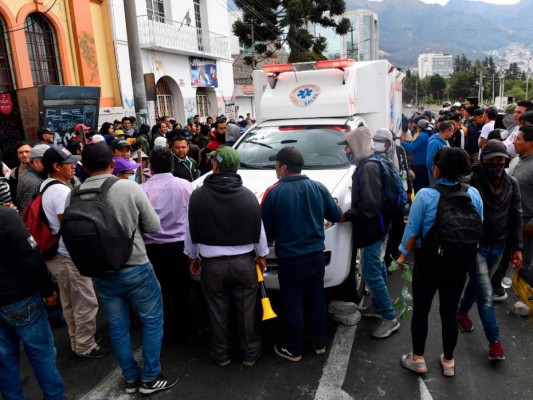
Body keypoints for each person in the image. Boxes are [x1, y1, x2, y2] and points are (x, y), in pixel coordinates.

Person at [74, 142, 176, 394]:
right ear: (112, 162)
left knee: (118, 325)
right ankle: (150, 377)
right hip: (135, 266)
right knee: (152, 320)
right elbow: (153, 226)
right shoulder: (128, 187)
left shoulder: (73, 194)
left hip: (99, 270)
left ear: (84, 167)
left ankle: (131, 378)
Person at [397, 147, 483, 377]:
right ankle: (448, 362)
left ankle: (418, 359)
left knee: (421, 311)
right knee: (448, 312)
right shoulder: (473, 194)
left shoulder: (425, 195)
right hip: (458, 263)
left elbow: (412, 231)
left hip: (429, 263)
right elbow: (478, 227)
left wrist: (402, 255)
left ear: (436, 168)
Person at [186, 146, 268, 367]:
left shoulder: (198, 196)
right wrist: (261, 255)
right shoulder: (248, 196)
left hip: (212, 265)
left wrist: (193, 258)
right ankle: (250, 353)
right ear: (237, 167)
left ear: (215, 166)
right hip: (244, 263)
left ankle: (221, 354)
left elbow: (190, 231)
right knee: (246, 310)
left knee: (217, 310)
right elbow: (258, 230)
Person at [261, 146, 342, 361]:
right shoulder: (319, 188)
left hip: (289, 259)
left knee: (293, 302)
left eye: (276, 166)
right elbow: (335, 215)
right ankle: (319, 344)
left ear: (284, 167)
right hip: (316, 255)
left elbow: (264, 230)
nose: (275, 170)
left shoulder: (273, 192)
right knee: (317, 299)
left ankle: (293, 349)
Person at [456, 140, 523, 361]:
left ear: (506, 161)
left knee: (477, 286)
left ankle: (462, 311)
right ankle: (495, 343)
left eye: (500, 161)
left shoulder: (512, 183)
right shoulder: (469, 182)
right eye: (491, 160)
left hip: (500, 246)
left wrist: (518, 247)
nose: (496, 165)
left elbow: (516, 216)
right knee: (485, 295)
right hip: (476, 247)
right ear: (482, 160)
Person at [40, 147, 107, 359]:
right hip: (67, 257)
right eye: (68, 163)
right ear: (56, 167)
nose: (73, 166)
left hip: (56, 256)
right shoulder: (60, 191)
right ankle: (86, 345)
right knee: (85, 301)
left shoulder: (47, 185)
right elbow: (69, 226)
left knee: (70, 302)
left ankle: (77, 340)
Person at [0, 206, 65, 400]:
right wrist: (48, 290)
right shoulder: (6, 216)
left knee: (4, 360)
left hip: (13, 297)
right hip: (20, 297)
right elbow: (31, 257)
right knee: (42, 354)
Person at [341, 127, 400, 339]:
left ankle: (389, 317)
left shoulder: (367, 168)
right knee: (377, 267)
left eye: (347, 146)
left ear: (356, 147)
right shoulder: (372, 162)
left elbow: (370, 206)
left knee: (371, 272)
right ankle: (377, 306)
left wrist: (348, 215)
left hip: (373, 228)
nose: (346, 150)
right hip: (380, 227)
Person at [141, 147, 194, 343]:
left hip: (152, 247)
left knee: (158, 290)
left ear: (151, 167)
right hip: (180, 246)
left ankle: (165, 330)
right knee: (182, 289)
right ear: (172, 165)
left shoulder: (142, 189)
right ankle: (185, 329)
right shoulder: (185, 186)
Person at [510, 125, 533, 287]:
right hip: (513, 223)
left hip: (527, 226)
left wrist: (532, 224)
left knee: (525, 268)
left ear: (530, 143)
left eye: (518, 139)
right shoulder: (517, 160)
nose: (514, 142)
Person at [16, 144, 49, 213]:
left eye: (27, 151)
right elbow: (29, 214)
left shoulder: (39, 176)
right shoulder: (33, 183)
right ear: (36, 162)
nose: (24, 155)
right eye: (49, 160)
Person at [402, 119, 431, 192]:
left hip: (419, 166)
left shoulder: (422, 136)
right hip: (424, 165)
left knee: (418, 187)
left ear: (419, 128)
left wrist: (401, 142)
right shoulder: (427, 135)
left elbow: (411, 148)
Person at [8, 142, 32, 207]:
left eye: (27, 151)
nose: (24, 155)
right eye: (21, 153)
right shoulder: (14, 172)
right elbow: (14, 195)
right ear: (17, 155)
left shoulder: (41, 167)